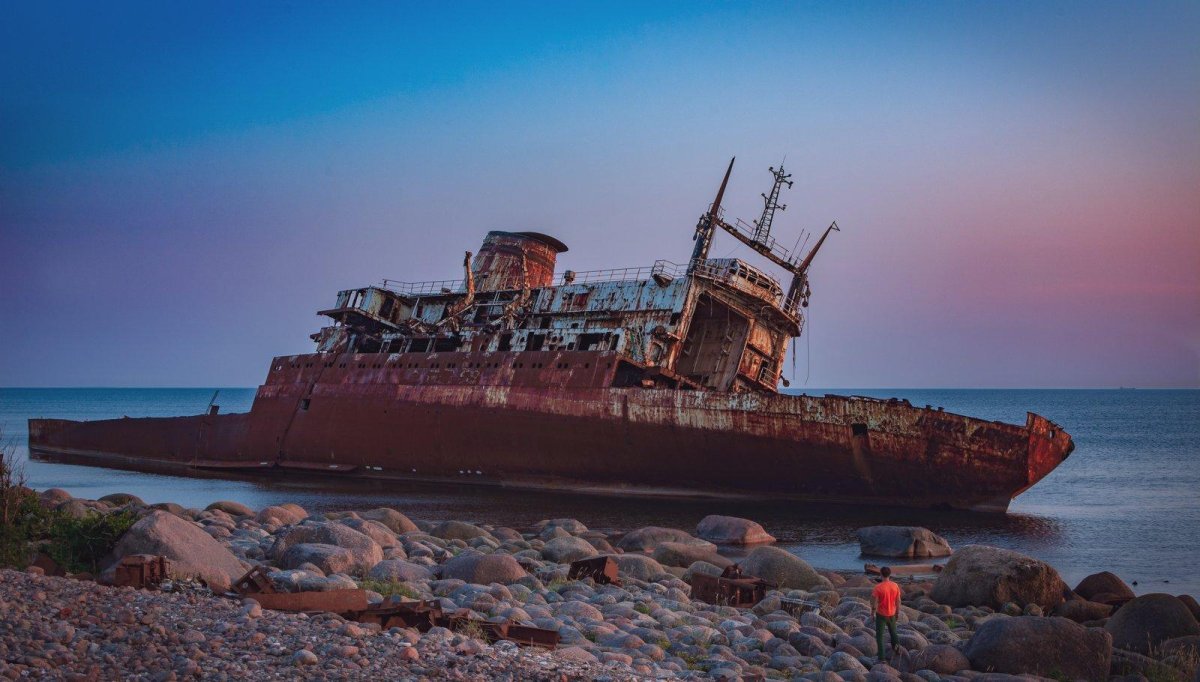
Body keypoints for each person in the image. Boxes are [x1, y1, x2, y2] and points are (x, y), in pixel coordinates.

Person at [871, 565, 901, 661]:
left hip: (881, 615)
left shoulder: (878, 587)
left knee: (880, 636)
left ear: (881, 574)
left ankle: (882, 658)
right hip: (892, 613)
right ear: (889, 574)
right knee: (893, 632)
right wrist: (897, 612)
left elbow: (874, 602)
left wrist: (872, 612)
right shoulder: (895, 586)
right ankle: (897, 649)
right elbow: (898, 600)